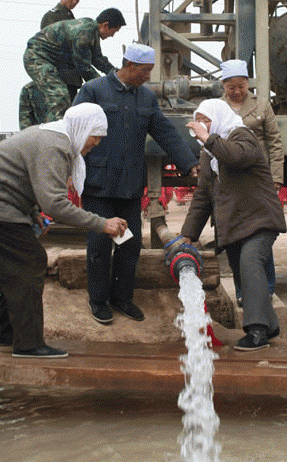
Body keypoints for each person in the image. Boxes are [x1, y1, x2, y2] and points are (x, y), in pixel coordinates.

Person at [0, 103, 128, 358]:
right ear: (82, 129)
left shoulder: (58, 137)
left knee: (18, 265)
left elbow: (25, 180)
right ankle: (28, 343)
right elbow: (55, 204)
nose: (95, 145)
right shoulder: (54, 145)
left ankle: (2, 332)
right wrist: (102, 224)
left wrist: (33, 214)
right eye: (94, 139)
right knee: (29, 262)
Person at [72, 43, 200, 325]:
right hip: (99, 184)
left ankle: (122, 297)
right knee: (100, 243)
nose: (147, 77)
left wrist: (189, 162)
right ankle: (98, 300)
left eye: (150, 71)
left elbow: (165, 131)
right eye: (144, 71)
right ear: (128, 65)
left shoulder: (146, 98)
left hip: (129, 185)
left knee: (130, 245)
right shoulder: (93, 90)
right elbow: (75, 127)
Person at [180, 99, 286, 352]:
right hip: (235, 225)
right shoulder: (209, 155)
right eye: (199, 121)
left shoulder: (242, 136)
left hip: (259, 219)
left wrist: (208, 138)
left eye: (206, 120)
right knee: (244, 274)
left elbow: (237, 157)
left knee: (251, 265)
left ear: (218, 117)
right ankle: (270, 325)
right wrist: (188, 235)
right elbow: (203, 196)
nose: (202, 126)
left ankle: (257, 331)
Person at [219, 59, 283, 302]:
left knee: (261, 233)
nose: (237, 91)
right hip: (231, 181)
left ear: (248, 83)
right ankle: (241, 292)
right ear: (223, 85)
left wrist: (276, 177)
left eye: (242, 86)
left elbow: (275, 142)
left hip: (258, 180)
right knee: (234, 237)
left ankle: (267, 290)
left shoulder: (262, 105)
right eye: (232, 87)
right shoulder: (217, 107)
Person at [23, 8, 126, 123]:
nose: (112, 36)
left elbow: (98, 59)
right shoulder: (85, 33)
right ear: (105, 25)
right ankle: (56, 132)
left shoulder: (92, 32)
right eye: (114, 31)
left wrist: (117, 75)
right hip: (36, 57)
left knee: (65, 94)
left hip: (51, 60)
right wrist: (105, 86)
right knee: (59, 95)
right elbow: (83, 67)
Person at [40, 0, 86, 100]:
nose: (75, 2)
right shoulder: (52, 17)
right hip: (57, 77)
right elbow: (51, 46)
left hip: (71, 78)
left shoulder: (72, 19)